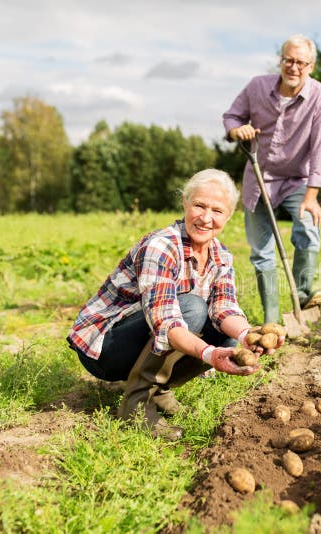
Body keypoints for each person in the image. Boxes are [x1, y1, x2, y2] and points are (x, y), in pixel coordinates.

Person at [66, 169, 278, 441]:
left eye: (217, 210)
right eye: (199, 205)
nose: (206, 218)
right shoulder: (161, 246)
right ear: (185, 204)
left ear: (228, 217)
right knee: (192, 308)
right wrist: (209, 355)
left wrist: (248, 334)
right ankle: (136, 402)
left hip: (146, 337)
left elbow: (225, 308)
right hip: (104, 348)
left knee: (226, 333)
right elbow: (166, 321)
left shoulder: (222, 255)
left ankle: (160, 390)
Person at [223, 33, 321, 324]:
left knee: (308, 227)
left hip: (297, 181)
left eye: (300, 62)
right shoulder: (257, 86)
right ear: (280, 61)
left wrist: (311, 196)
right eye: (288, 60)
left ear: (311, 66)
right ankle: (272, 321)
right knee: (262, 253)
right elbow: (232, 117)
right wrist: (237, 131)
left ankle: (303, 295)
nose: (293, 67)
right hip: (258, 181)